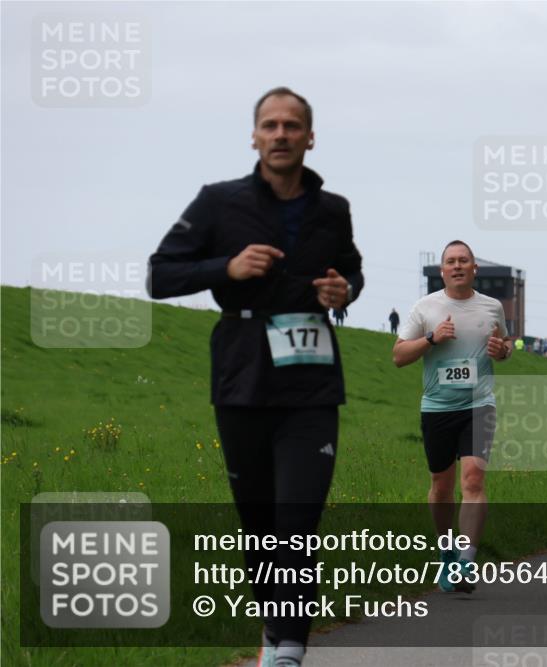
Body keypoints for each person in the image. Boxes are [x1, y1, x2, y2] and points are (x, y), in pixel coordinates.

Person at [147, 87, 363, 667]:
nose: (281, 134)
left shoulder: (333, 208)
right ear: (254, 136)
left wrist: (344, 290)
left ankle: (290, 649)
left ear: (310, 136)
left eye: (293, 125)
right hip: (241, 372)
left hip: (311, 379)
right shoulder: (218, 203)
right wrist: (228, 266)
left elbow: (352, 269)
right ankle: (274, 629)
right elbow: (159, 275)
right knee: (259, 522)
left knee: (298, 519)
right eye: (270, 125)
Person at [392, 240, 511, 593]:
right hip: (438, 409)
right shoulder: (425, 308)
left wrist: (501, 350)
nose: (457, 266)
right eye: (450, 261)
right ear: (442, 270)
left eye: (464, 260)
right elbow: (398, 356)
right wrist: (431, 338)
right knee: (441, 487)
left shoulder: (492, 307)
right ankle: (446, 552)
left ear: (475, 268)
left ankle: (466, 561)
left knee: (473, 480)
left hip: (479, 404)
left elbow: (503, 346)